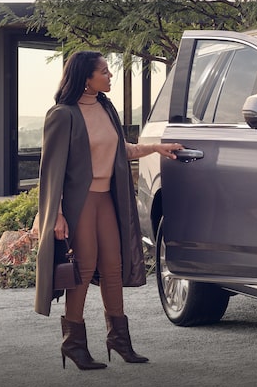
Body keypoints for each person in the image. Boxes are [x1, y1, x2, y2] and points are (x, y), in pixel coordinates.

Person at [32, 50, 183, 370]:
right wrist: (55, 214)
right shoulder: (63, 114)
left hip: (107, 200)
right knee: (83, 269)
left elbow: (119, 151)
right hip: (80, 202)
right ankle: (73, 342)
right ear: (87, 78)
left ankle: (119, 339)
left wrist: (155, 147)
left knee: (113, 267)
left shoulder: (105, 107)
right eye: (104, 71)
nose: (110, 75)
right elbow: (51, 170)